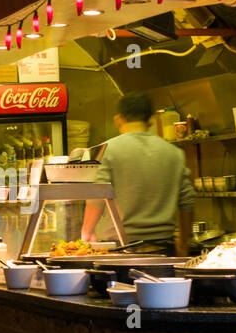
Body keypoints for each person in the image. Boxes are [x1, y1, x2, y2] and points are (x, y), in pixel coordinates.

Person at [79, 92, 194, 255]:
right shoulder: (174, 153)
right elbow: (187, 200)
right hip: (163, 248)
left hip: (120, 248)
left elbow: (97, 196)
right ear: (151, 120)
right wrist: (183, 242)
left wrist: (87, 231)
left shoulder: (107, 150)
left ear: (118, 120)